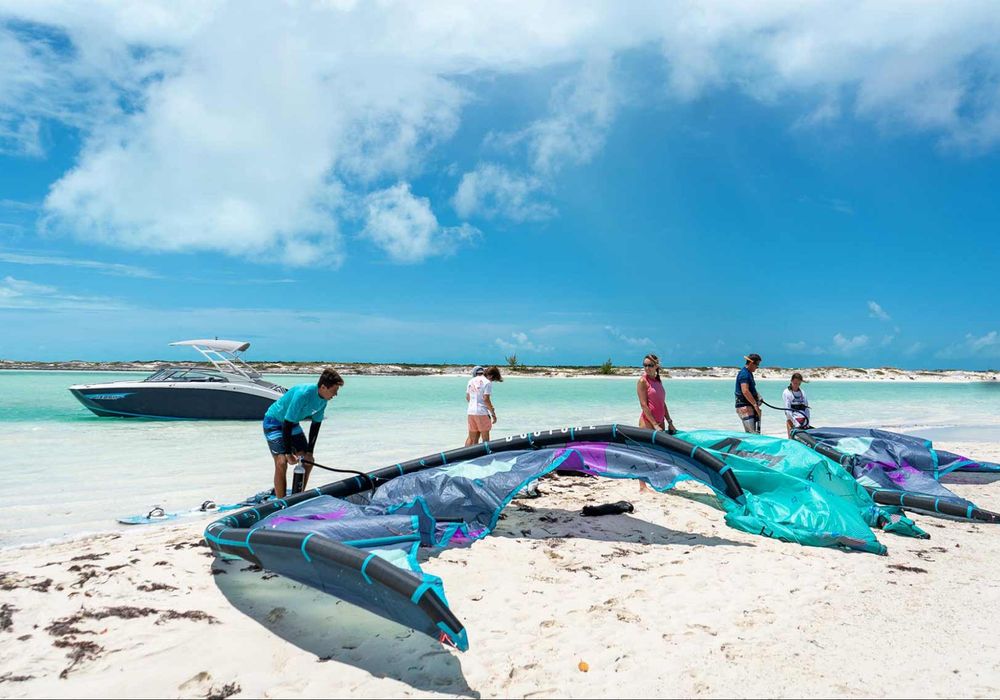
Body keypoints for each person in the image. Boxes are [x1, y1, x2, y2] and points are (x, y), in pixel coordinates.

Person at [263, 368, 344, 498]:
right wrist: (289, 453)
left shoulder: (323, 400)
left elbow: (315, 425)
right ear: (323, 387)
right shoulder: (303, 394)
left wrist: (310, 453)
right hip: (274, 422)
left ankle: (298, 497)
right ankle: (281, 501)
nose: (335, 394)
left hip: (292, 423)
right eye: (334, 390)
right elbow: (286, 424)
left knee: (307, 461)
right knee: (282, 462)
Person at [637, 353, 674, 492]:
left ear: (656, 366)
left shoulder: (658, 381)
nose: (647, 368)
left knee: (661, 454)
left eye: (650, 365)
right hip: (647, 422)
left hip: (660, 421)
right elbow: (644, 405)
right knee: (644, 454)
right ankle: (642, 486)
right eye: (645, 365)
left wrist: (669, 421)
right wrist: (654, 424)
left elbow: (662, 404)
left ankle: (663, 482)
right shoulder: (642, 381)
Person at [466, 365, 502, 445]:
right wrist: (493, 413)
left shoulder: (471, 380)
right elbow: (486, 399)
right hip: (482, 412)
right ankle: (486, 457)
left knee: (472, 438)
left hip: (470, 412)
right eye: (493, 379)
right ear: (491, 376)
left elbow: (468, 397)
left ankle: (465, 456)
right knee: (485, 439)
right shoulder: (487, 382)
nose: (492, 381)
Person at [735, 353, 763, 433]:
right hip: (745, 407)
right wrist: (755, 405)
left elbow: (750, 389)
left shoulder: (748, 373)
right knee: (752, 433)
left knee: (753, 432)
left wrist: (758, 396)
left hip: (748, 406)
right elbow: (745, 391)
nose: (757, 367)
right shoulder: (744, 374)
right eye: (757, 365)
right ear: (751, 363)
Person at [783, 372, 811, 437]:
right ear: (791, 381)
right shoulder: (786, 392)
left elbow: (806, 408)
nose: (796, 385)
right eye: (795, 383)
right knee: (788, 419)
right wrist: (795, 422)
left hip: (803, 419)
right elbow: (787, 410)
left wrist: (807, 421)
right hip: (793, 419)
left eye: (799, 384)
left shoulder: (802, 392)